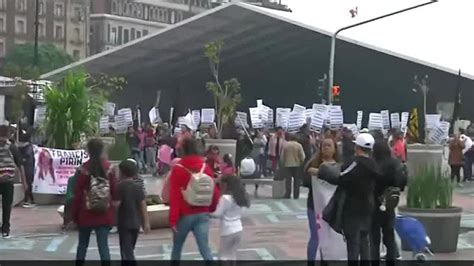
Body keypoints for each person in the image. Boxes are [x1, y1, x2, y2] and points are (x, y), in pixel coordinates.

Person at [322, 133, 381, 263]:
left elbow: (340, 178)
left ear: (357, 147)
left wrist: (323, 171)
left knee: (353, 243)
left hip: (352, 208)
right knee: (364, 241)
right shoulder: (375, 165)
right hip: (368, 207)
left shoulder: (355, 163)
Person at [168, 138, 220, 261]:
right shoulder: (205, 167)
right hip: (203, 213)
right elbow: (214, 191)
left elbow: (175, 196)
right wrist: (211, 208)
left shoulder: (178, 168)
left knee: (177, 247)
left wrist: (173, 220)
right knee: (204, 248)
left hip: (184, 215)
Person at [72, 139, 118, 265]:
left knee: (82, 245)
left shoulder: (83, 169)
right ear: (102, 150)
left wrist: (74, 215)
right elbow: (114, 192)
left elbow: (76, 194)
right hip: (104, 212)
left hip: (85, 212)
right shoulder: (109, 168)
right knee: (103, 246)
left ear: (88, 151)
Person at [307, 137, 347, 261]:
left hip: (333, 207)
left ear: (335, 149)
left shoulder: (341, 166)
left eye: (329, 145)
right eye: (324, 145)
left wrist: (320, 172)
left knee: (333, 236)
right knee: (316, 236)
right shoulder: (313, 164)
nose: (326, 147)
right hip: (315, 206)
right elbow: (306, 178)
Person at [371, 141, 403, 263]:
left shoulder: (373, 164)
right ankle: (391, 258)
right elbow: (400, 182)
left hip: (375, 201)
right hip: (390, 202)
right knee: (389, 234)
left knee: (374, 236)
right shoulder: (394, 163)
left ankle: (375, 260)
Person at [117, 159, 151, 264]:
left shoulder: (119, 187)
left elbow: (117, 204)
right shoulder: (138, 187)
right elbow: (143, 205)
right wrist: (146, 223)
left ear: (122, 172)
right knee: (129, 248)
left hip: (123, 223)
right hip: (136, 223)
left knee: (127, 252)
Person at [210, 175, 250, 262]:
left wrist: (207, 213)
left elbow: (217, 213)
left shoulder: (225, 198)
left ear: (226, 185)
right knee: (232, 255)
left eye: (221, 184)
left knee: (223, 256)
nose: (219, 186)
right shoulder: (240, 197)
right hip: (238, 228)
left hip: (227, 229)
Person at [0, 125, 25, 238]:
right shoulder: (12, 147)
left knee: (6, 205)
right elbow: (20, 165)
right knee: (6, 206)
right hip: (8, 181)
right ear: (8, 134)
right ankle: (5, 229)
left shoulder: (12, 147)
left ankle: (4, 228)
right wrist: (24, 182)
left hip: (5, 181)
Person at [280, 134, 306, 199]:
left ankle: (287, 194)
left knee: (288, 180)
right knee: (297, 181)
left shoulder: (285, 145)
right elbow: (303, 156)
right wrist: (301, 162)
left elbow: (282, 157)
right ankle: (296, 195)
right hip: (297, 165)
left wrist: (283, 163)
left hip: (287, 164)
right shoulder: (299, 145)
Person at [18, 129, 35, 208]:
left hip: (28, 168)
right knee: (28, 183)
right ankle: (30, 199)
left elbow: (26, 156)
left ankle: (28, 199)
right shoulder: (27, 147)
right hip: (27, 168)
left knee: (28, 183)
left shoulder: (28, 148)